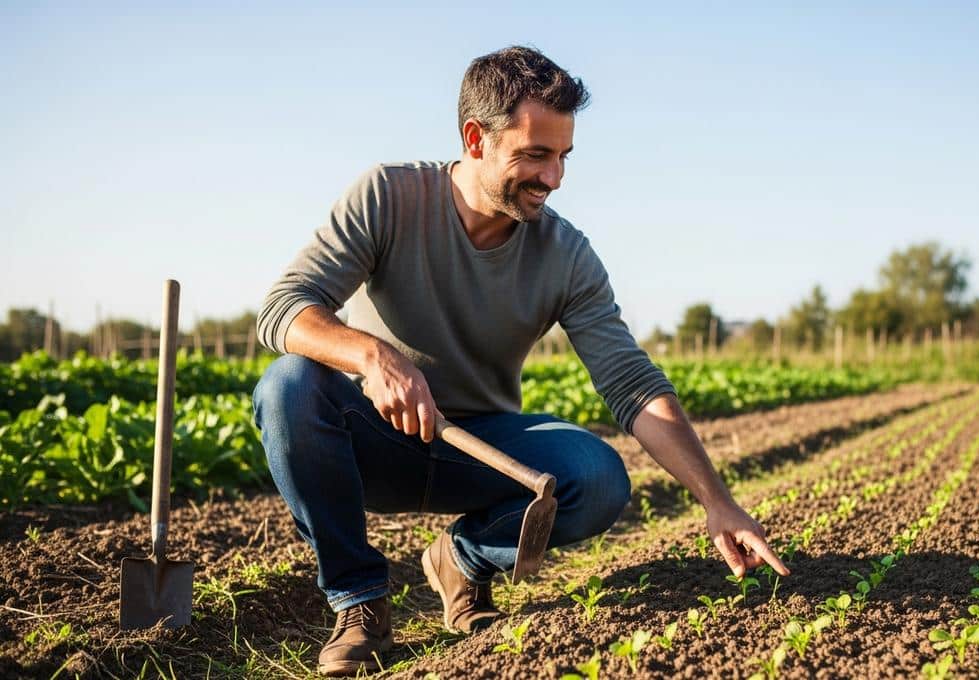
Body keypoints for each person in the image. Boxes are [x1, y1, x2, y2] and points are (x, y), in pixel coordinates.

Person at [252, 45, 788, 677]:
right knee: (288, 387)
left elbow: (631, 383)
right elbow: (284, 308)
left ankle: (462, 560)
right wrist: (372, 356)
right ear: (475, 139)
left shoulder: (566, 255)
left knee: (598, 477)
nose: (553, 178)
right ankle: (359, 602)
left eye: (563, 156)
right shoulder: (390, 196)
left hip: (479, 452)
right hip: (374, 440)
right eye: (535, 154)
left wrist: (717, 500)